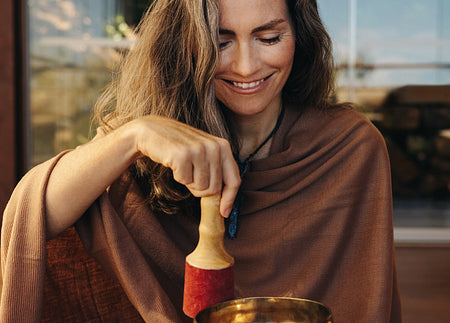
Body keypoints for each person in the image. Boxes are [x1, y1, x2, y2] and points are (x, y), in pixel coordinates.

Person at [1, 0, 401, 322]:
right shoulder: (142, 141)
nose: (246, 66)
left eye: (269, 37)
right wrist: (132, 136)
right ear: (186, 43)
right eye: (221, 42)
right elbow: (35, 216)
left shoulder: (350, 146)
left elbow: (362, 300)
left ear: (300, 36)